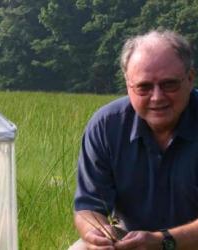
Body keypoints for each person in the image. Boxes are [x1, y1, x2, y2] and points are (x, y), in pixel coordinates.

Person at [70, 29, 198, 250]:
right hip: (133, 242)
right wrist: (99, 234)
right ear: (128, 85)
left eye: (169, 84)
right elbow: (88, 207)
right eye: (144, 87)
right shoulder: (107, 125)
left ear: (190, 78)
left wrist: (163, 241)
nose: (157, 97)